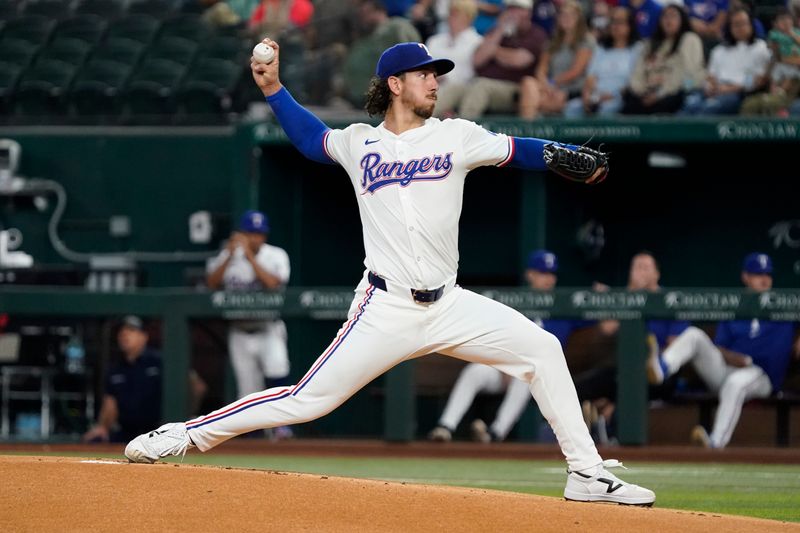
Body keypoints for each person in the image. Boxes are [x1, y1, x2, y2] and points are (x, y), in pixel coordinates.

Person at [125, 38, 655, 507]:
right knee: (307, 401)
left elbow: (518, 151)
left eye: (436, 73)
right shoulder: (360, 142)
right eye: (426, 74)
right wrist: (274, 89)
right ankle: (184, 435)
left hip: (449, 303)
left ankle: (586, 474)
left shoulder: (456, 136)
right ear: (395, 84)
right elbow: (312, 141)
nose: (435, 81)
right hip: (385, 306)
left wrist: (562, 154)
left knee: (542, 349)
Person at [428, 250, 596, 443]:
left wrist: (602, 298)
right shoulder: (514, 301)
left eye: (551, 274)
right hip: (502, 367)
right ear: (530, 275)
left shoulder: (564, 305)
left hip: (539, 374)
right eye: (543, 273)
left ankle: (494, 434)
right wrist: (504, 365)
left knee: (526, 376)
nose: (549, 279)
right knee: (474, 372)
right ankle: (445, 427)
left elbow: (607, 326)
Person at [647, 252, 800, 449]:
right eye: (757, 274)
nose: (764, 279)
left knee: (736, 384)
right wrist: (733, 357)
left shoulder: (783, 304)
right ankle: (661, 368)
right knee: (694, 334)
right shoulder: (735, 306)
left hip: (762, 376)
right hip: (728, 369)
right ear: (746, 277)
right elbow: (719, 346)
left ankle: (715, 443)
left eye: (767, 274)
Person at [574, 251, 690, 444]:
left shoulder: (670, 300)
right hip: (623, 372)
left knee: (629, 391)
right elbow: (606, 328)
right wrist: (622, 298)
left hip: (658, 377)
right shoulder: (625, 297)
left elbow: (674, 346)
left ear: (656, 275)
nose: (640, 272)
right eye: (636, 267)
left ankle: (608, 430)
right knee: (576, 388)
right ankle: (586, 431)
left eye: (646, 268)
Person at [206, 209, 294, 439]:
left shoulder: (276, 255)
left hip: (268, 327)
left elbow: (274, 283)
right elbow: (212, 284)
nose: (255, 238)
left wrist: (249, 257)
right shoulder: (228, 256)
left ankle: (281, 427)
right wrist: (227, 256)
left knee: (278, 371)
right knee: (247, 389)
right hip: (239, 330)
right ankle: (253, 439)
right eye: (250, 233)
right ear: (242, 233)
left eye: (259, 233)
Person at [83, 316, 207, 443]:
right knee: (95, 440)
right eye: (121, 331)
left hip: (159, 431)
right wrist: (103, 427)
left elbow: (197, 386)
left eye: (131, 330)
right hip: (127, 432)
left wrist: (186, 417)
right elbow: (110, 404)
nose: (124, 334)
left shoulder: (160, 361)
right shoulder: (115, 368)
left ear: (144, 336)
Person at [434, 0, 549, 119]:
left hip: (514, 88)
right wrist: (500, 30)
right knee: (454, 88)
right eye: (509, 8)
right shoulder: (497, 31)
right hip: (480, 82)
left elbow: (519, 60)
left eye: (516, 9)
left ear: (528, 12)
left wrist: (493, 50)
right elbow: (477, 60)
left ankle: (464, 129)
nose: (512, 13)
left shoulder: (536, 33)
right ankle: (421, 125)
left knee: (481, 86)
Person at [679, 7, 770, 115]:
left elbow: (759, 79)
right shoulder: (719, 50)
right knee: (690, 105)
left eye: (743, 23)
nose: (740, 28)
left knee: (707, 110)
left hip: (738, 93)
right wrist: (711, 87)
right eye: (736, 25)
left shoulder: (760, 47)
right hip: (716, 90)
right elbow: (711, 76)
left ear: (751, 25)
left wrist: (732, 88)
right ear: (730, 28)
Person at [621, 3, 706, 115]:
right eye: (665, 16)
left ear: (683, 20)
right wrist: (641, 91)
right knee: (629, 99)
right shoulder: (651, 43)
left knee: (674, 98)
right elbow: (638, 72)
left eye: (673, 16)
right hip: (648, 91)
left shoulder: (689, 39)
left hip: (675, 91)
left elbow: (687, 73)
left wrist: (660, 94)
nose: (668, 20)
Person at [518, 0, 596, 120]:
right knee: (528, 82)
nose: (566, 18)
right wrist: (545, 84)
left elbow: (576, 71)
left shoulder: (586, 41)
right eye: (563, 14)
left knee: (530, 100)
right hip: (550, 88)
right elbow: (542, 68)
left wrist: (552, 83)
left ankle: (526, 128)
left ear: (579, 18)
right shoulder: (553, 42)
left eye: (571, 15)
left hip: (572, 89)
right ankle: (530, 126)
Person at [563, 5, 641, 118]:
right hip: (596, 96)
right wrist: (587, 96)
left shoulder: (638, 49)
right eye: (612, 22)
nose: (615, 26)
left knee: (606, 109)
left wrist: (613, 95)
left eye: (620, 22)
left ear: (630, 25)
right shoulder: (601, 49)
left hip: (621, 98)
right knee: (571, 108)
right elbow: (590, 77)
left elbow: (635, 81)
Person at [424, 0, 483, 88]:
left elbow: (470, 73)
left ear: (469, 18)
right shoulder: (434, 40)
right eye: (451, 13)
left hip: (458, 88)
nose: (451, 17)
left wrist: (445, 77)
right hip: (430, 83)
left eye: (457, 14)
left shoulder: (477, 42)